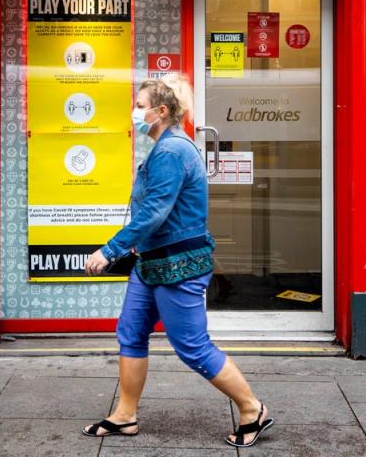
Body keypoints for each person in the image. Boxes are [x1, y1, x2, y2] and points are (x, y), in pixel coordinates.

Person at [82, 74, 274, 448]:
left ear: (162, 111)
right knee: (132, 333)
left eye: (140, 106)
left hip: (178, 265)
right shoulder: (166, 146)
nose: (134, 113)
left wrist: (110, 250)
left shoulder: (171, 151)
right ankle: (124, 416)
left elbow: (155, 210)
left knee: (191, 345)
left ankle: (253, 409)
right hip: (152, 262)